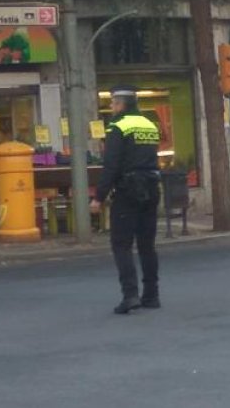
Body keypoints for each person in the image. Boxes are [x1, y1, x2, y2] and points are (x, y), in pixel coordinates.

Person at [90, 86, 162, 315]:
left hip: (128, 190)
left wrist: (99, 197)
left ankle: (130, 295)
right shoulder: (149, 124)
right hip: (152, 187)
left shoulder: (118, 126)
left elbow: (112, 165)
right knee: (147, 245)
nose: (111, 107)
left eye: (113, 103)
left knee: (121, 244)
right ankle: (151, 295)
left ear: (121, 104)